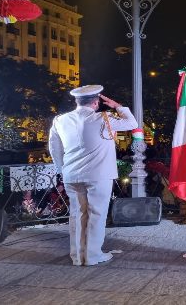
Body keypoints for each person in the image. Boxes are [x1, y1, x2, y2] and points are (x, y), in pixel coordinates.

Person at [48, 85, 137, 266]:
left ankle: (77, 255)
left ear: (76, 101)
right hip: (99, 175)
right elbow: (132, 123)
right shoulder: (104, 118)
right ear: (96, 102)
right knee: (96, 213)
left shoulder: (60, 120)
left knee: (76, 214)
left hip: (71, 174)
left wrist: (61, 168)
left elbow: (54, 147)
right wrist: (116, 105)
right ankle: (93, 255)